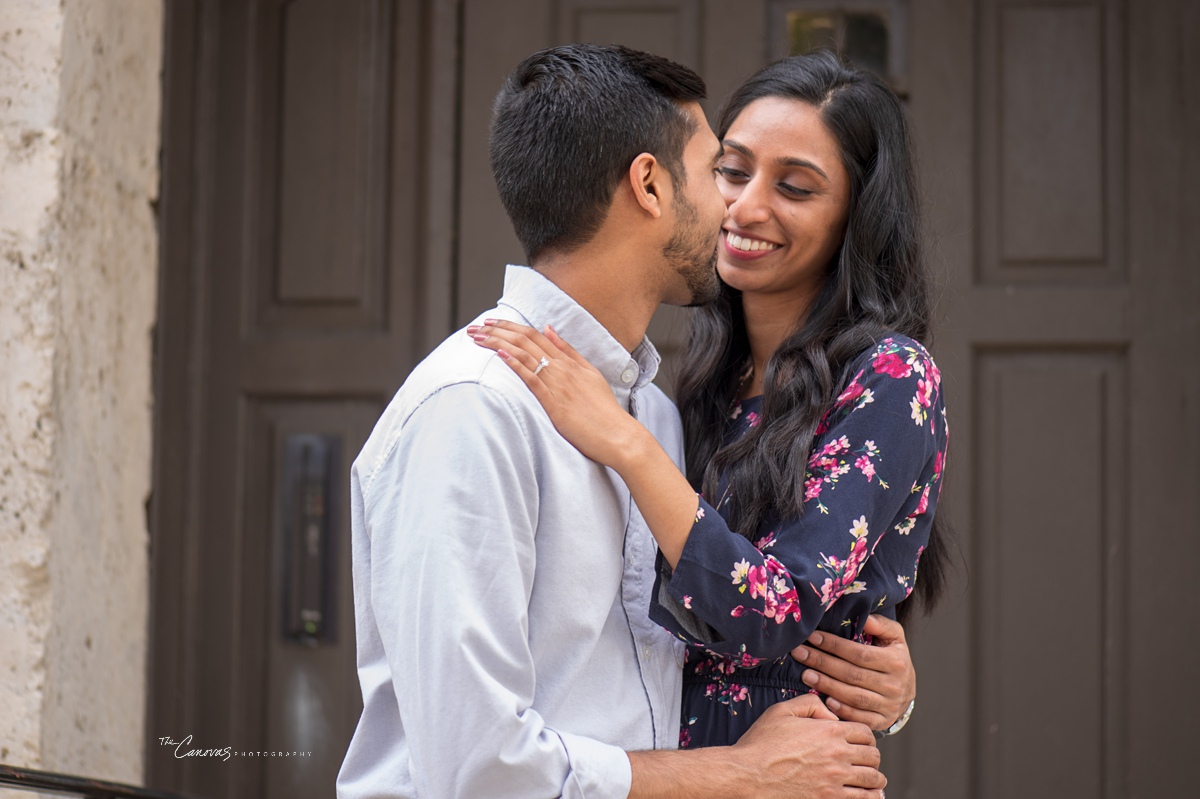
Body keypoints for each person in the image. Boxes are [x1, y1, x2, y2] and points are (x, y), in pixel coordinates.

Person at [337, 44, 904, 799]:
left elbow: (712, 635)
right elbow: (476, 772)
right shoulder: (473, 411)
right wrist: (737, 773)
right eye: (720, 172)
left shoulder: (658, 418)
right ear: (648, 185)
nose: (734, 207)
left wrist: (874, 681)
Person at [470, 51, 950, 750]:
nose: (745, 206)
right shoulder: (701, 383)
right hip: (674, 770)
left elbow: (776, 609)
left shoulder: (890, 377)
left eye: (795, 186)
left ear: (856, 217)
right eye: (731, 170)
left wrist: (627, 445)